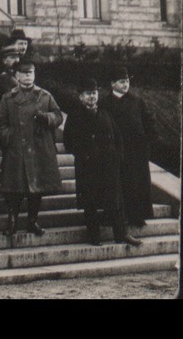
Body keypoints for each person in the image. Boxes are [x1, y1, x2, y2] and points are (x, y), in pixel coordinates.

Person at [64, 78, 143, 247]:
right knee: (90, 201)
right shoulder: (74, 116)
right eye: (88, 94)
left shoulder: (105, 113)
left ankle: (121, 234)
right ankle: (94, 236)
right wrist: (84, 154)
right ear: (80, 97)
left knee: (115, 200)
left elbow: (117, 136)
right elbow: (68, 143)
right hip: (88, 167)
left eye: (94, 93)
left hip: (109, 165)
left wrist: (117, 155)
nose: (92, 97)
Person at [0, 58, 62, 237]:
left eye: (30, 73)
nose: (27, 77)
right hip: (17, 149)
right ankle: (13, 221)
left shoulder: (45, 95)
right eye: (24, 73)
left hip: (38, 148)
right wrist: (8, 136)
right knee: (14, 188)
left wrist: (46, 118)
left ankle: (32, 221)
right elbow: (0, 122)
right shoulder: (8, 98)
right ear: (17, 76)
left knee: (36, 188)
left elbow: (58, 116)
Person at [98, 66, 156, 227]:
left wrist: (147, 144)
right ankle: (112, 216)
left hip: (136, 152)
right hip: (113, 151)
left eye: (127, 81)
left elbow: (148, 123)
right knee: (115, 184)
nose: (125, 85)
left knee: (136, 184)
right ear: (112, 84)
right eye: (122, 82)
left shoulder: (137, 101)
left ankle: (136, 216)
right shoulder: (104, 103)